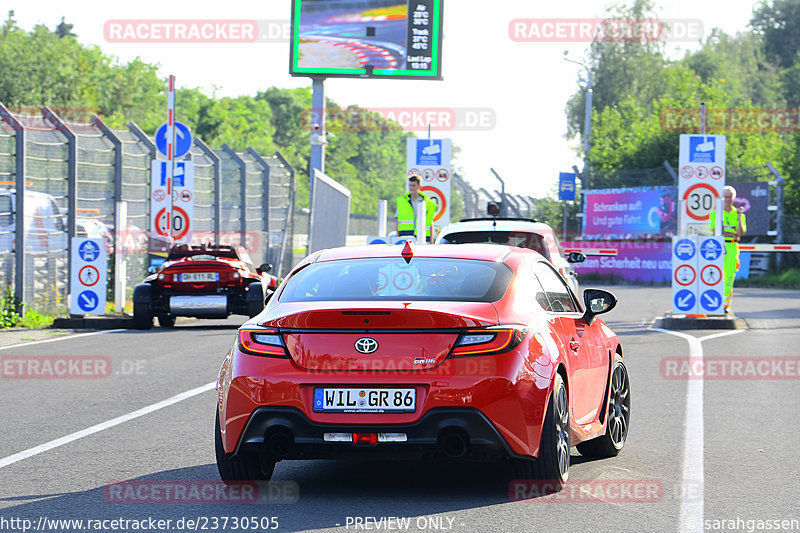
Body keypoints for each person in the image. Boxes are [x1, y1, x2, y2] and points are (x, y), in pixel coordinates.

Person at [709, 185, 746, 312]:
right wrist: (731, 232)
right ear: (722, 198)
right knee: (717, 275)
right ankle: (713, 302)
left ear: (734, 198)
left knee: (730, 276)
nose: (728, 199)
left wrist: (739, 217)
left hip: (732, 247)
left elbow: (739, 233)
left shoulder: (738, 214)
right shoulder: (715, 213)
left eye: (730, 197)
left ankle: (726, 305)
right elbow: (717, 232)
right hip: (719, 247)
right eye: (726, 197)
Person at [396, 175, 436, 243]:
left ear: (419, 186)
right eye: (410, 185)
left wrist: (431, 242)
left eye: (413, 185)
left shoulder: (427, 203)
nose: (411, 188)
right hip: (405, 238)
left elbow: (430, 223)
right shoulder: (402, 202)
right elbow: (398, 221)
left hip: (423, 238)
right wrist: (397, 239)